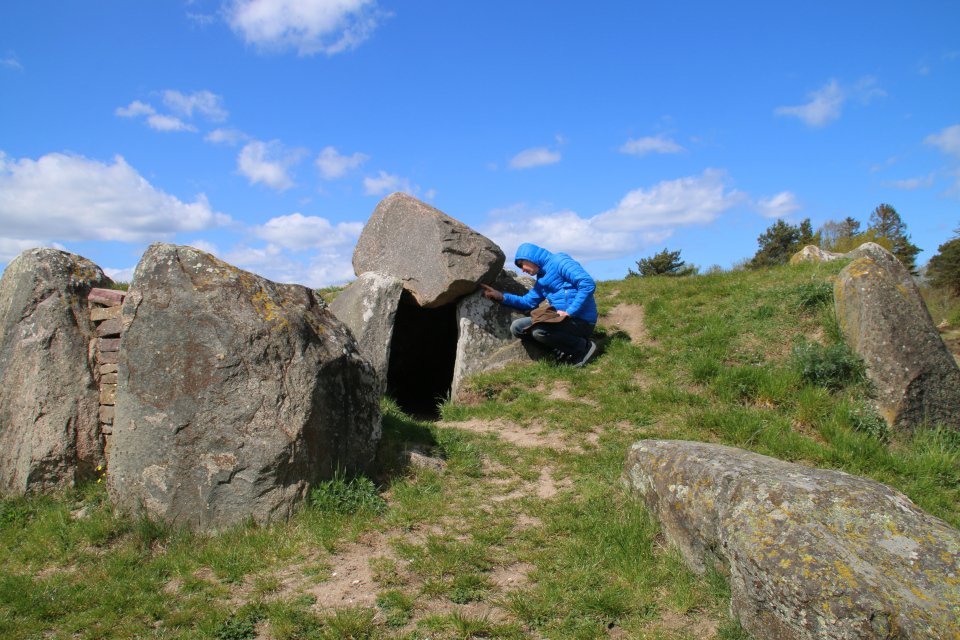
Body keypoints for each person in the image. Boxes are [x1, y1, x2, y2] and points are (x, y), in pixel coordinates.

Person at [481, 242, 598, 367]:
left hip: (581, 320)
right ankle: (562, 348)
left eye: (521, 264)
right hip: (561, 320)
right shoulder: (542, 279)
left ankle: (583, 347)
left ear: (531, 258)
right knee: (517, 327)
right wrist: (501, 296)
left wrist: (570, 312)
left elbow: (587, 283)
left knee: (539, 331)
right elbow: (528, 302)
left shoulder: (559, 260)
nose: (522, 270)